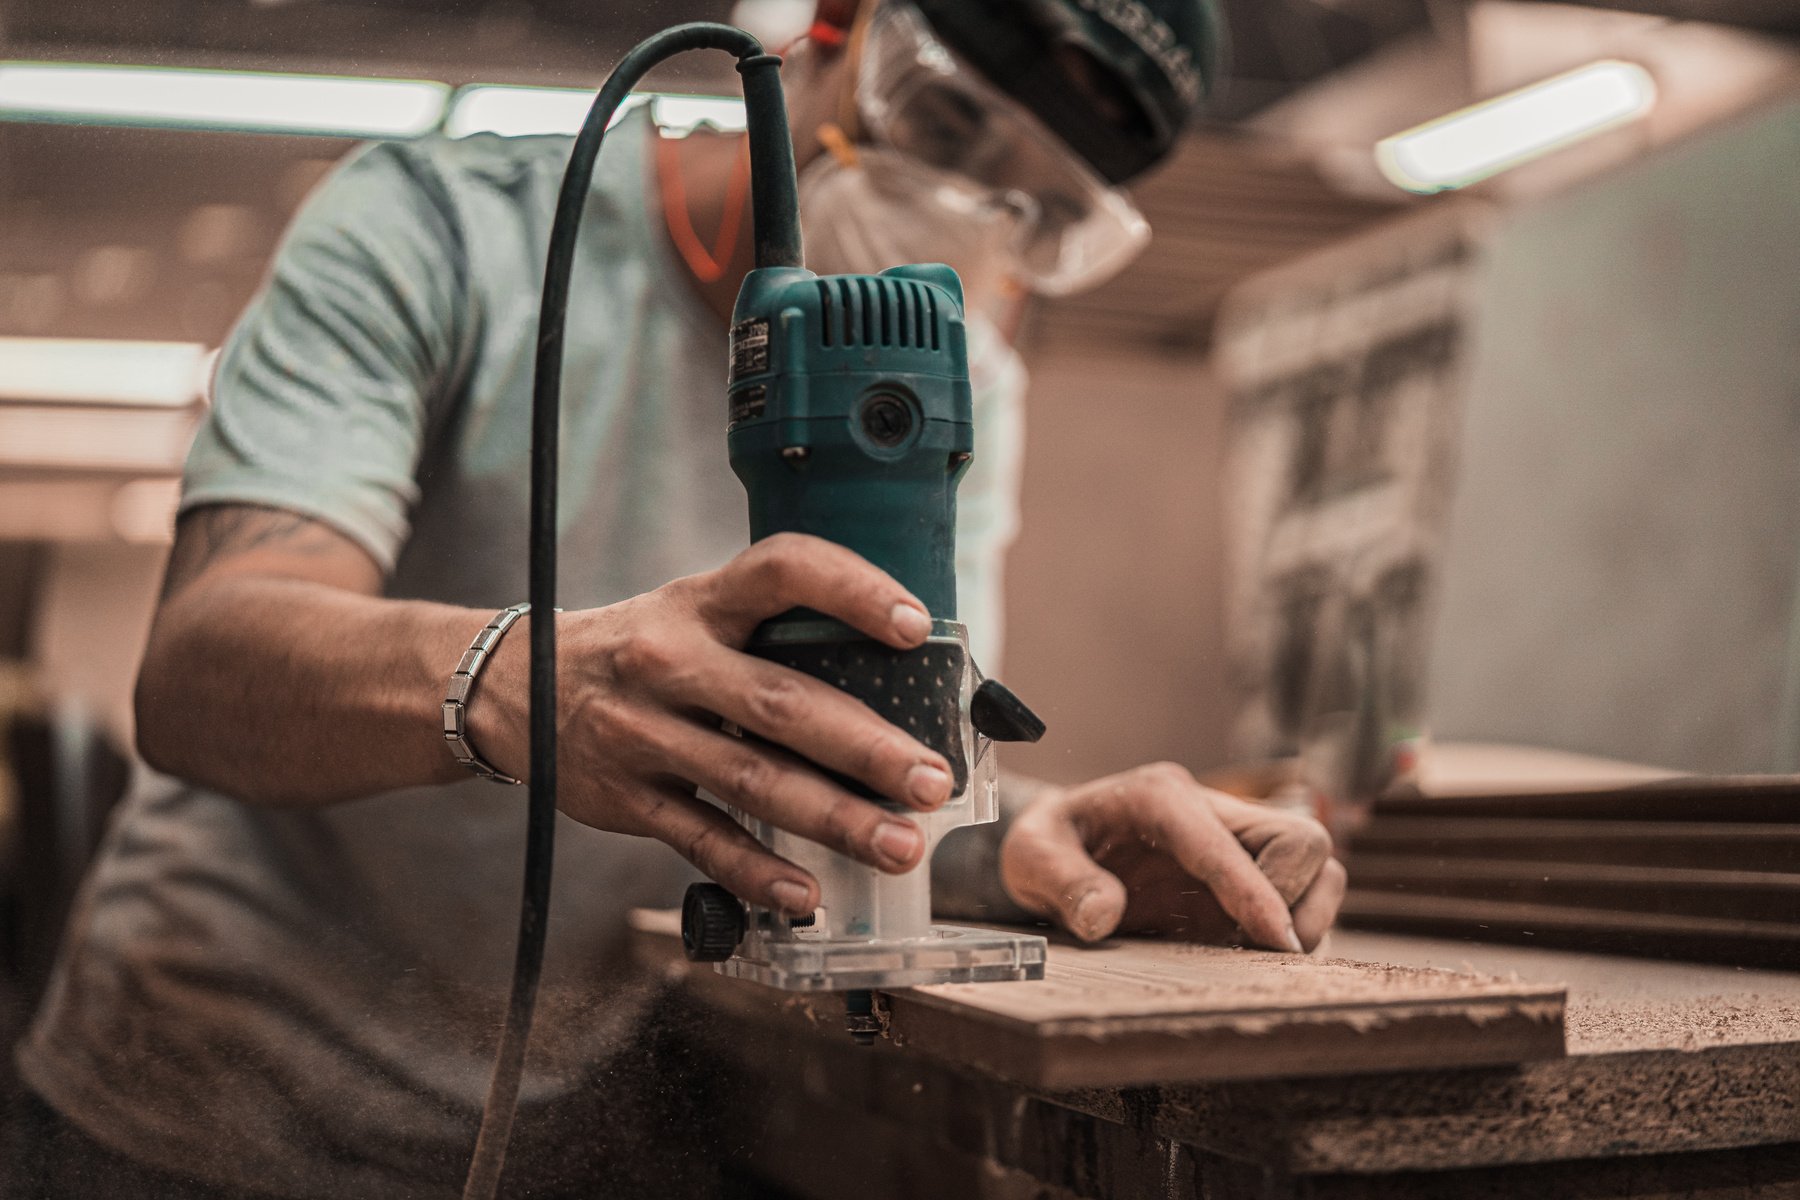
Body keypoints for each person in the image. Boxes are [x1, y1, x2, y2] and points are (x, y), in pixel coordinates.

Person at [13, 1, 1346, 1196]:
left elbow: (877, 742)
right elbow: (200, 669)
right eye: (941, 117)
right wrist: (521, 681)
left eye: (1039, 209)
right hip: (197, 1104)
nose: (960, 200)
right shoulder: (436, 226)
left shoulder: (957, 382)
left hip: (544, 1112)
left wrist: (1028, 846)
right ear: (831, 29)